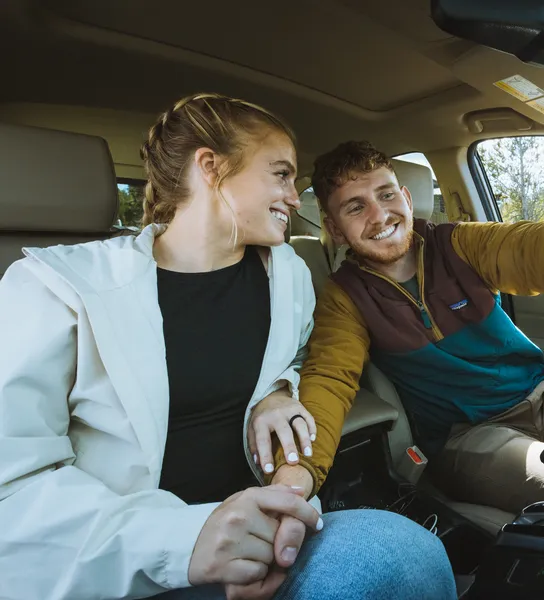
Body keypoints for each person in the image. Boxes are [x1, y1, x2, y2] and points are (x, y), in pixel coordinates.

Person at [0, 97, 455, 600]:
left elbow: (301, 358)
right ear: (211, 167)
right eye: (281, 174)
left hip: (269, 533)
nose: (293, 195)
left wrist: (281, 391)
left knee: (412, 556)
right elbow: (12, 488)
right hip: (123, 563)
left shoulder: (289, 275)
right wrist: (186, 541)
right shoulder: (55, 288)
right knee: (401, 556)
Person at [251, 140, 544, 515]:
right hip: (465, 436)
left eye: (387, 194)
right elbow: (331, 378)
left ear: (406, 198)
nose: (380, 215)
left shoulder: (455, 244)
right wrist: (298, 478)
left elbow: (528, 247)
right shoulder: (345, 295)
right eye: (356, 207)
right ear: (333, 226)